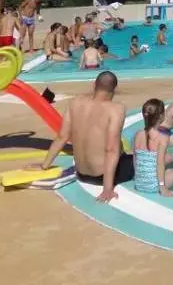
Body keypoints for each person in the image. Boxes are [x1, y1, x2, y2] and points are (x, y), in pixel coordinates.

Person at [32, 71, 132, 203]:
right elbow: (111, 149)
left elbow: (62, 136)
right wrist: (107, 188)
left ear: (94, 85)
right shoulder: (116, 109)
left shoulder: (75, 102)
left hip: (81, 173)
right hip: (101, 177)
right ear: (115, 89)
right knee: (146, 160)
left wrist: (44, 166)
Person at [134, 99, 173, 197]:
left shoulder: (138, 135)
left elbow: (136, 159)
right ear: (162, 116)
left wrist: (139, 178)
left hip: (139, 183)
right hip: (153, 186)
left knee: (170, 168)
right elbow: (159, 164)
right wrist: (162, 188)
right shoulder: (163, 138)